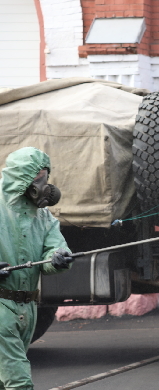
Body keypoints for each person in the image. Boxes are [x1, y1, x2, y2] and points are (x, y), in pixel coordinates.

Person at [0, 147, 74, 390]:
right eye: (38, 177)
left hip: (27, 308)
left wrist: (58, 259)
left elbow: (55, 248)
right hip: (1, 307)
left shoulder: (44, 217)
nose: (44, 184)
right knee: (18, 381)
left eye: (46, 176)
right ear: (21, 178)